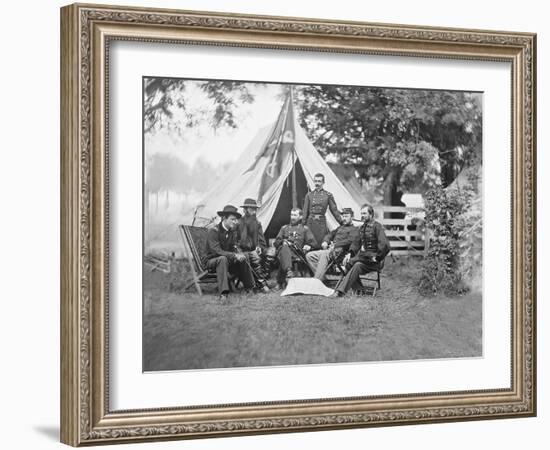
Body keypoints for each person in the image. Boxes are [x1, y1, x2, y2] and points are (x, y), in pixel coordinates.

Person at [331, 204, 390, 297]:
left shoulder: (377, 227)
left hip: (374, 261)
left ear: (371, 214)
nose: (362, 215)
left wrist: (378, 257)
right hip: (365, 259)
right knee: (355, 264)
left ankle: (340, 292)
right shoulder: (362, 228)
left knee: (351, 263)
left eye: (364, 213)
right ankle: (359, 290)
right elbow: (356, 243)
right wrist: (350, 253)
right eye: (361, 213)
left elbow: (385, 245)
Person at [203, 205, 255, 300]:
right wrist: (234, 255)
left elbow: (233, 247)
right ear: (224, 218)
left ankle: (249, 288)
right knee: (222, 259)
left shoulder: (231, 232)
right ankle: (224, 293)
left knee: (244, 256)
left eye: (236, 220)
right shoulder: (214, 231)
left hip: (225, 259)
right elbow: (217, 251)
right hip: (211, 261)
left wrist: (239, 254)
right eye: (232, 219)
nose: (235, 222)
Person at [305, 207, 358, 281]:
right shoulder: (340, 227)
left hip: (340, 252)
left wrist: (335, 245)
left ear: (352, 217)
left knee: (324, 255)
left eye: (346, 216)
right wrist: (325, 241)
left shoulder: (354, 229)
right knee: (309, 255)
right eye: (343, 216)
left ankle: (317, 280)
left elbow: (350, 241)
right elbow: (329, 235)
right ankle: (322, 279)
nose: (344, 218)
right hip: (330, 250)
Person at [273, 208, 317, 286]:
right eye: (291, 215)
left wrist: (309, 246)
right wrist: (283, 241)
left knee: (283, 253)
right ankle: (289, 270)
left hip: (297, 252)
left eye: (295, 215)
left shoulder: (304, 229)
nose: (292, 217)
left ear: (300, 217)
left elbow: (313, 243)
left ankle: (280, 281)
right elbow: (276, 242)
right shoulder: (284, 228)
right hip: (284, 250)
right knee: (284, 248)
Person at [238, 198, 270, 293]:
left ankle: (261, 282)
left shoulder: (257, 223)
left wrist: (259, 246)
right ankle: (261, 284)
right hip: (241, 250)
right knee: (253, 256)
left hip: (254, 249)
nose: (254, 211)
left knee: (264, 254)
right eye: (251, 209)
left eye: (255, 209)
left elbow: (261, 239)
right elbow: (234, 240)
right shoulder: (238, 223)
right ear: (245, 210)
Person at [303, 173, 342, 246]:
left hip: (321, 223)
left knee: (321, 244)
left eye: (319, 181)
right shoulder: (309, 195)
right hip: (311, 223)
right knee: (310, 243)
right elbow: (305, 212)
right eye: (315, 181)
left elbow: (334, 210)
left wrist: (342, 222)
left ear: (323, 182)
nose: (317, 183)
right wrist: (302, 225)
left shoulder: (328, 195)